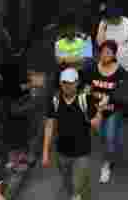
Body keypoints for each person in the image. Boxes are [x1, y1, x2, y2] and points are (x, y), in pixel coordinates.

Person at [42, 67, 106, 200]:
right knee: (68, 182)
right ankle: (75, 194)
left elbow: (96, 124)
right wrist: (45, 152)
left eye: (71, 83)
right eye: (65, 83)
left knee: (80, 183)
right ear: (60, 84)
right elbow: (49, 126)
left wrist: (99, 110)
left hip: (82, 152)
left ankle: (79, 195)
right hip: (62, 152)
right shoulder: (55, 101)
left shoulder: (85, 100)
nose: (68, 86)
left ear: (77, 83)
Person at [84, 41, 128, 184]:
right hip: (95, 110)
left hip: (112, 111)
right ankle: (113, 143)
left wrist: (110, 98)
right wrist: (86, 92)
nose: (104, 55)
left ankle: (107, 165)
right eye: (102, 52)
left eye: (108, 53)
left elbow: (124, 94)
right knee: (103, 136)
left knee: (109, 138)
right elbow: (85, 86)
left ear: (114, 55)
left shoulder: (120, 72)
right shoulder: (92, 68)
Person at [95, 3, 128, 72]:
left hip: (127, 64)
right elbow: (100, 44)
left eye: (107, 19)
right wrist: (102, 27)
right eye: (104, 18)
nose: (105, 20)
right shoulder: (104, 24)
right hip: (110, 66)